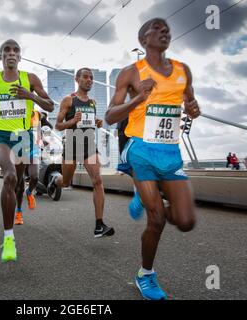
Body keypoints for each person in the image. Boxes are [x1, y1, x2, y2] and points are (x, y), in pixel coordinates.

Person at [105, 18, 201, 300]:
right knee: (157, 218)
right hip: (141, 149)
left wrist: (193, 109)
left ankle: (149, 196)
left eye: (166, 28)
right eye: (156, 28)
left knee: (185, 221)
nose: (163, 31)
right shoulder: (130, 72)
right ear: (142, 39)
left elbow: (191, 105)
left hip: (170, 152)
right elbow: (110, 116)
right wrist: (137, 99)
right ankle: (145, 275)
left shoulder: (184, 71)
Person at [0, 39, 54, 262]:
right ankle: (8, 238)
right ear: (0, 56)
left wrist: (30, 96)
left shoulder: (31, 79)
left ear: (20, 56)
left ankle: (19, 205)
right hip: (0, 136)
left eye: (15, 50)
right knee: (9, 177)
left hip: (22, 137)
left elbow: (50, 106)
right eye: (6, 50)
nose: (11, 53)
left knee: (18, 182)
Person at [52, 68, 115, 238]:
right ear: (77, 79)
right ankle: (55, 179)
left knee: (98, 180)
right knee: (65, 182)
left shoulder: (93, 102)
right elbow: (57, 126)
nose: (89, 80)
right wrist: (72, 121)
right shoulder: (68, 100)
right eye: (86, 77)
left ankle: (99, 225)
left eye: (91, 78)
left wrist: (98, 122)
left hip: (89, 144)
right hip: (72, 143)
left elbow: (89, 123)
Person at [14, 109, 41, 225]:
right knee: (18, 186)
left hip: (32, 149)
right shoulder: (15, 111)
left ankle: (29, 191)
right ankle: (19, 212)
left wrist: (41, 140)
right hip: (17, 148)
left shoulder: (36, 113)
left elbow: (39, 130)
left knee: (34, 176)